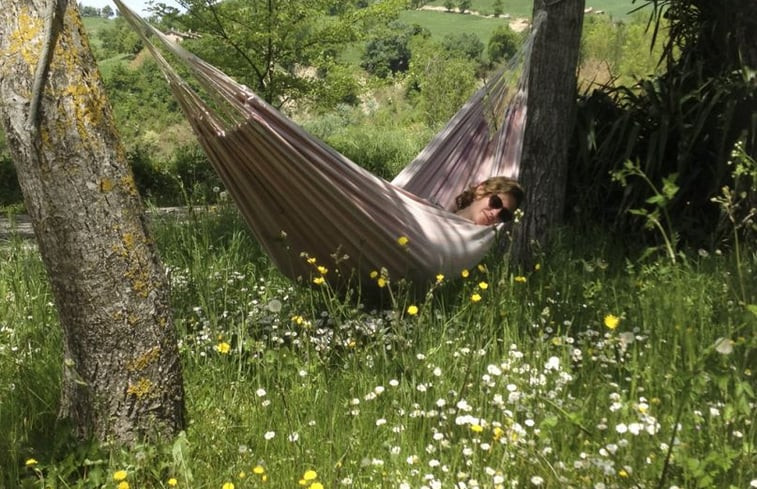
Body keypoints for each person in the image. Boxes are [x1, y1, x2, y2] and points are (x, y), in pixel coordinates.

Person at [454, 176, 524, 226]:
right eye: (496, 202)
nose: (495, 214)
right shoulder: (443, 216)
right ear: (480, 191)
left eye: (504, 214)